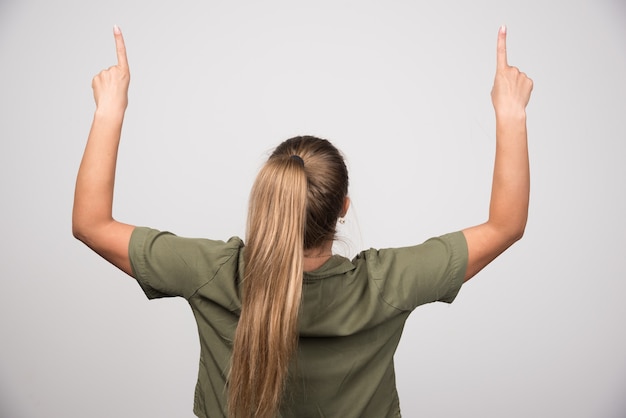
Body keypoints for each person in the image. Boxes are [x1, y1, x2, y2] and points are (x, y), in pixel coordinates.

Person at [73, 25, 532, 418]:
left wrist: (110, 108)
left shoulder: (211, 272)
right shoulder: (386, 284)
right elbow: (505, 225)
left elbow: (90, 224)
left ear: (267, 203)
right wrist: (510, 112)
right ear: (343, 209)